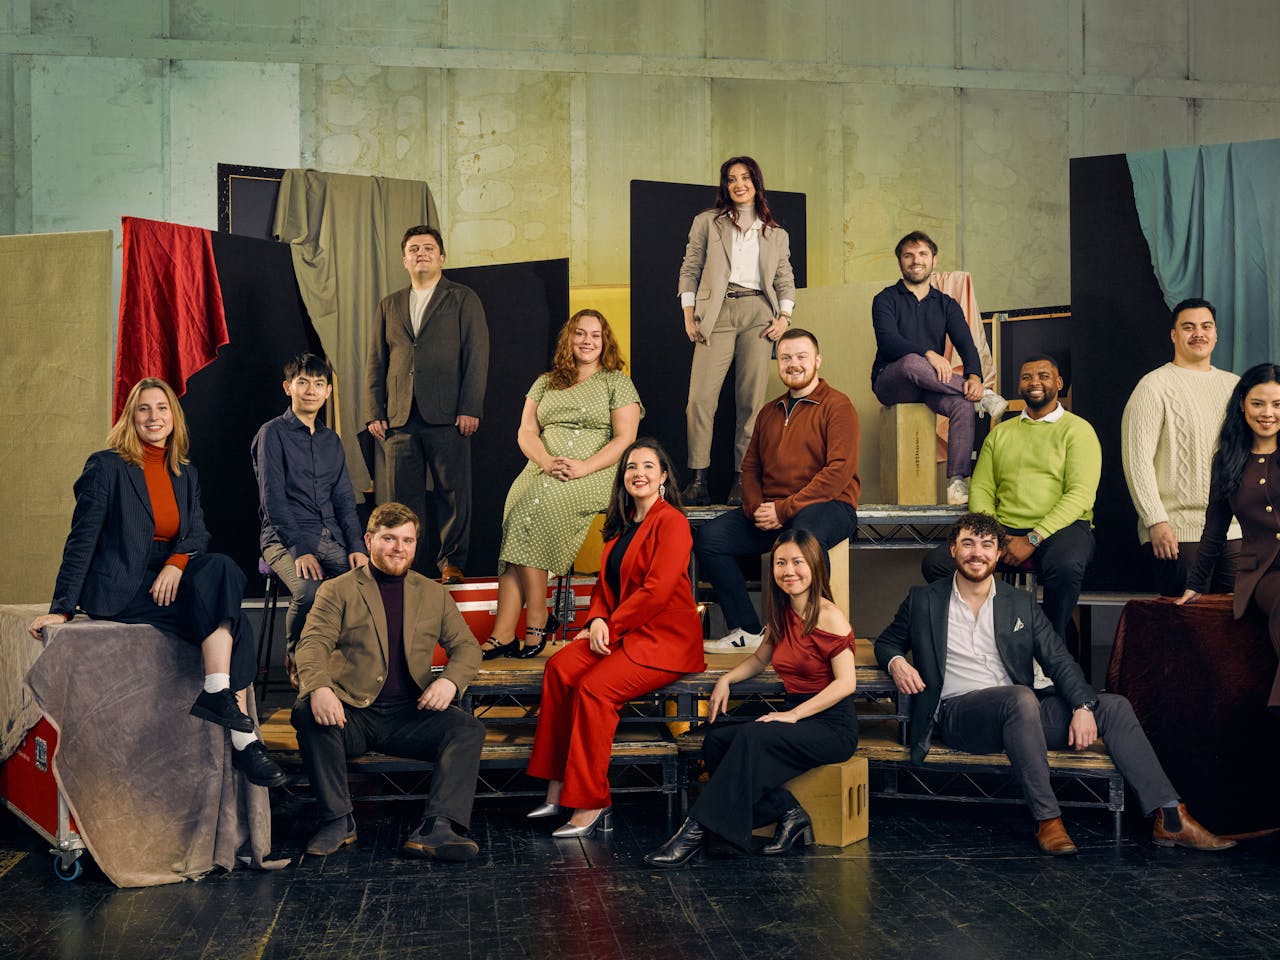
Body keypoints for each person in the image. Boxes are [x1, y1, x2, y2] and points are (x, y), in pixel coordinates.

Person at [880, 513, 1234, 854]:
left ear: (999, 554)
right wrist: (897, 663)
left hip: (1020, 714)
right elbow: (886, 642)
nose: (977, 552)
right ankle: (1048, 819)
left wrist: (1083, 706)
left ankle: (1170, 817)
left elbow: (1059, 659)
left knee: (1112, 707)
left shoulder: (1019, 604)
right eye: (968, 543)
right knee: (1019, 698)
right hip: (959, 716)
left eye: (987, 544)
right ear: (953, 550)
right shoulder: (924, 600)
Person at [29, 378, 285, 788]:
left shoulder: (184, 471)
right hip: (123, 583)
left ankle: (217, 692)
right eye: (144, 409)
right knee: (233, 622)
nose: (154, 417)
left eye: (162, 408)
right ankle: (246, 742)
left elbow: (197, 533)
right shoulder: (106, 465)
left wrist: (178, 564)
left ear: (173, 417)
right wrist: (61, 608)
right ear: (131, 417)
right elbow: (82, 539)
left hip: (169, 575)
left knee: (220, 568)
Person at [645, 529, 859, 866]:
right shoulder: (783, 612)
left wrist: (793, 715)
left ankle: (695, 832)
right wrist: (726, 679)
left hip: (832, 726)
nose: (789, 571)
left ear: (815, 565)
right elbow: (761, 659)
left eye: (798, 562)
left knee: (750, 736)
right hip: (798, 715)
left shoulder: (829, 615)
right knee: (716, 740)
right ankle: (786, 812)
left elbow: (846, 684)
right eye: (781, 563)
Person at [525, 440, 705, 837]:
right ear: (623, 478)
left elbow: (657, 591)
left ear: (662, 477)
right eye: (630, 467)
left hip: (665, 641)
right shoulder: (621, 523)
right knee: (559, 668)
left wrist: (611, 625)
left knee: (593, 689)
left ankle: (591, 802)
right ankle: (557, 785)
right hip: (624, 631)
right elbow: (606, 586)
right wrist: (598, 619)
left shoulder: (671, 521)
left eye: (647, 466)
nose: (638, 472)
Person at [291, 501, 486, 860]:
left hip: (410, 714)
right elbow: (313, 644)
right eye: (389, 538)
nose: (399, 548)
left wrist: (450, 683)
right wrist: (319, 687)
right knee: (307, 713)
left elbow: (467, 649)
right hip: (352, 712)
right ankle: (338, 821)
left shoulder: (432, 592)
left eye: (408, 540)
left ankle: (437, 828)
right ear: (369, 540)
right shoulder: (338, 589)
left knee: (466, 729)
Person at [480, 309, 643, 660]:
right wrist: (544, 461)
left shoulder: (617, 382)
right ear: (568, 339)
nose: (587, 341)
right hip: (542, 467)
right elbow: (526, 431)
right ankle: (505, 633)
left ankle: (537, 618)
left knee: (536, 511)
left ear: (605, 341)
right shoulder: (545, 382)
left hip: (596, 470)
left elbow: (625, 438)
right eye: (580, 334)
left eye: (595, 335)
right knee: (519, 512)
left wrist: (583, 466)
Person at [696, 328, 860, 654]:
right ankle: (747, 631)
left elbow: (837, 473)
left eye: (801, 357)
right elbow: (751, 467)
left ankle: (810, 636)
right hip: (774, 511)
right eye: (785, 358)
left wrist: (783, 510)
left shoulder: (838, 406)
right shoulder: (769, 412)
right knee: (709, 539)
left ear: (817, 361)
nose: (793, 364)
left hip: (829, 506)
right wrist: (757, 508)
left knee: (803, 535)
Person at [922, 355, 1099, 652]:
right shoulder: (1001, 433)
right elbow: (981, 488)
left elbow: (1080, 495)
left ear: (1059, 383)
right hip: (1003, 527)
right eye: (1027, 377)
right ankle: (999, 627)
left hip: (1061, 527)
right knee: (937, 564)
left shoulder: (1078, 431)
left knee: (1066, 567)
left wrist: (1033, 538)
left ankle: (1049, 646)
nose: (1034, 383)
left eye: (1043, 376)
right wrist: (995, 539)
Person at [365, 225, 489, 583]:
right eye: (414, 249)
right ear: (404, 259)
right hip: (399, 417)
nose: (421, 253)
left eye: (429, 248)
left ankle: (451, 562)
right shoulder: (389, 304)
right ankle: (409, 566)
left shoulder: (463, 298)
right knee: (403, 498)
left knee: (453, 493)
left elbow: (477, 356)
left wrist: (471, 407)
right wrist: (374, 410)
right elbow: (376, 361)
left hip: (449, 415)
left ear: (441, 257)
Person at [678, 155, 796, 506]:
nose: (738, 184)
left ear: (757, 184)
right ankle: (697, 480)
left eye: (745, 178)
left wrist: (784, 317)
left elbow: (785, 280)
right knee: (699, 401)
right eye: (731, 179)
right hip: (716, 312)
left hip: (759, 313)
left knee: (751, 402)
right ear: (725, 185)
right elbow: (690, 267)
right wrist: (688, 313)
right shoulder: (707, 223)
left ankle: (742, 480)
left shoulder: (775, 234)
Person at [252, 353, 369, 684]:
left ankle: (347, 664)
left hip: (331, 536)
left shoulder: (331, 440)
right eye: (303, 382)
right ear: (288, 387)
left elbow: (345, 500)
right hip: (283, 538)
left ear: (328, 392)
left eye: (319, 384)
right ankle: (297, 659)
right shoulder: (271, 433)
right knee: (309, 591)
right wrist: (300, 549)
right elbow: (272, 500)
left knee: (369, 584)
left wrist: (356, 546)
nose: (311, 390)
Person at [871, 231, 1006, 505]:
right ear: (900, 262)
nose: (915, 261)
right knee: (911, 362)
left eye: (922, 254)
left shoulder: (946, 304)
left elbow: (967, 345)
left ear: (934, 260)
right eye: (908, 255)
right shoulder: (885, 299)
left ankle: (957, 482)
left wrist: (975, 377)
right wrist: (929, 353)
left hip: (927, 387)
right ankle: (987, 397)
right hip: (891, 381)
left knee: (962, 405)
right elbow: (888, 342)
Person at [1121, 298, 1240, 596]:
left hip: (1237, 529)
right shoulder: (1153, 386)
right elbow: (1137, 462)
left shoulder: (1237, 387)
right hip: (1179, 530)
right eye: (1188, 327)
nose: (1198, 333)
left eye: (1206, 326)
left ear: (1216, 334)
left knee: (1238, 627)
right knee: (1186, 627)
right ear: (1174, 335)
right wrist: (1155, 521)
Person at [1179, 362, 1280, 713]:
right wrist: (1195, 584)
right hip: (1264, 574)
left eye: (1277, 404)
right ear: (1242, 404)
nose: (1268, 413)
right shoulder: (1227, 461)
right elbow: (1215, 529)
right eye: (1258, 403)